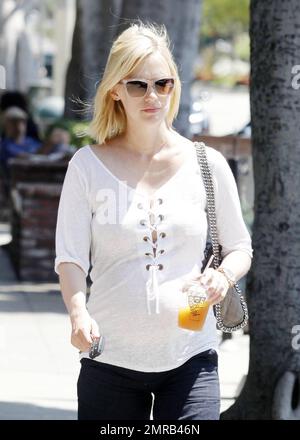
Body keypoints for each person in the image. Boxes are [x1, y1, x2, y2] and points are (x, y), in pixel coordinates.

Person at [54, 22, 253, 421]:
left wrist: (222, 277)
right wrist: (78, 314)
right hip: (109, 357)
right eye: (137, 85)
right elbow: (70, 257)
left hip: (191, 357)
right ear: (115, 90)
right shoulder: (87, 167)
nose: (152, 95)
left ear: (174, 87)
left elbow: (240, 247)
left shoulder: (207, 164)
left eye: (162, 84)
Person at [0, 106, 41, 196]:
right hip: (15, 189)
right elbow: (24, 157)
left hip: (38, 182)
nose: (18, 125)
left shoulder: (32, 142)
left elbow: (44, 154)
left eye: (21, 121)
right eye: (13, 122)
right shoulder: (4, 145)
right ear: (6, 124)